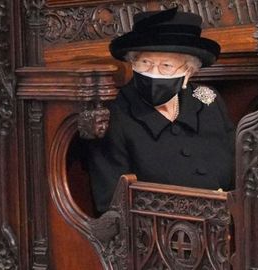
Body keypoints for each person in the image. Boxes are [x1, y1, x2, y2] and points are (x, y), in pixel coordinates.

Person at [87, 7, 235, 212]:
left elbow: (240, 172)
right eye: (145, 62)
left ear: (187, 73)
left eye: (166, 65)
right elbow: (112, 206)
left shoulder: (208, 99)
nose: (153, 74)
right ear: (133, 63)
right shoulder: (114, 115)